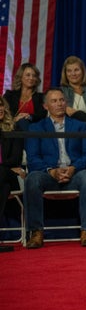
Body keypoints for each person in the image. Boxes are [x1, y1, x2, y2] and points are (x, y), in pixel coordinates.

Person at [23, 88, 86, 248]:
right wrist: (51, 171)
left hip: (74, 173)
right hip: (48, 174)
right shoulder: (36, 128)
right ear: (45, 106)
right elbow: (33, 158)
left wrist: (72, 168)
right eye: (54, 101)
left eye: (62, 100)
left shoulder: (80, 126)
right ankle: (36, 232)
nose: (59, 104)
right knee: (32, 178)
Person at [0, 97, 25, 252]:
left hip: (9, 174)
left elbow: (15, 158)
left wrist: (6, 167)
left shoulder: (14, 129)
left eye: (1, 105)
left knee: (2, 173)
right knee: (3, 187)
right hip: (5, 179)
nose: (0, 108)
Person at [60, 56, 86, 131]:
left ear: (83, 71)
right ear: (65, 73)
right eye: (69, 71)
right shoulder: (59, 92)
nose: (73, 74)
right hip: (67, 131)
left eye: (76, 70)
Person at [3, 62, 46, 130]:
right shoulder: (9, 95)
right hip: (12, 129)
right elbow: (4, 113)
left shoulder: (41, 97)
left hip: (35, 130)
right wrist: (15, 119)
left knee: (24, 121)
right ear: (20, 77)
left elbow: (43, 115)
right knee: (22, 122)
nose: (31, 78)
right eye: (28, 75)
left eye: (34, 76)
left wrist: (29, 116)